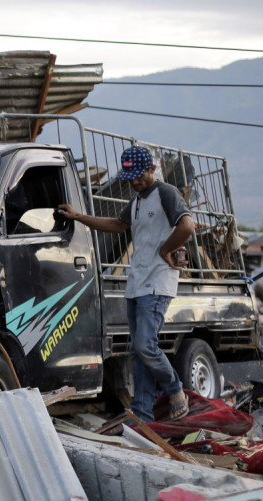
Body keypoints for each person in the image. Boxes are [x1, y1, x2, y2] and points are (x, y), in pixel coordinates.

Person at [57, 146, 196, 422]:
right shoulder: (138, 201)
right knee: (137, 353)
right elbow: (117, 224)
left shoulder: (165, 193)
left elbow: (188, 226)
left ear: (152, 170)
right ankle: (143, 415)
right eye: (129, 176)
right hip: (137, 285)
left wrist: (167, 250)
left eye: (138, 175)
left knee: (145, 346)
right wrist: (78, 217)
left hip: (157, 284)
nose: (134, 181)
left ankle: (176, 390)